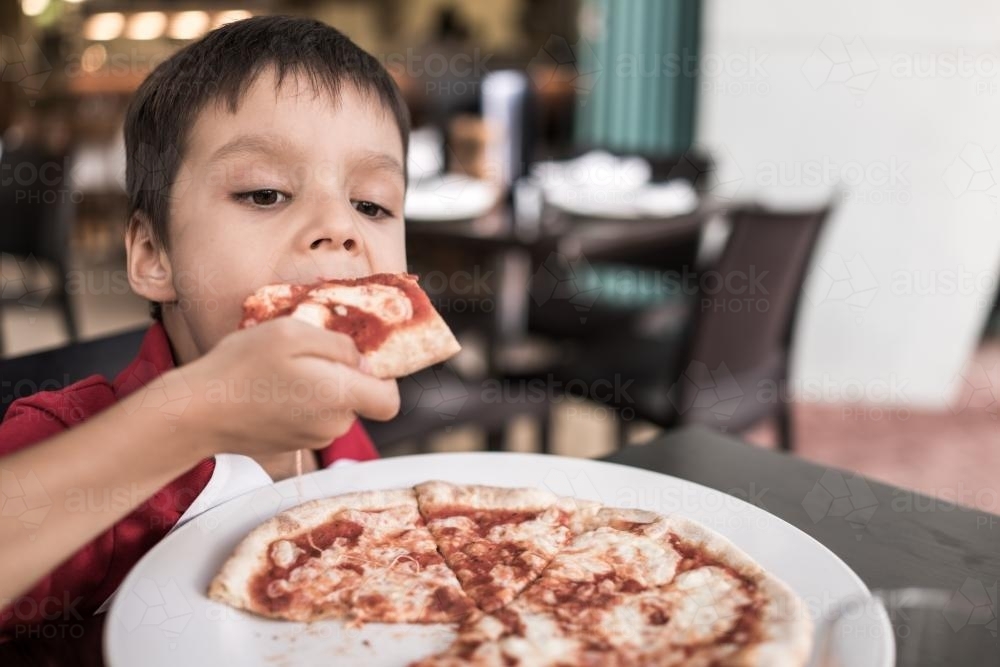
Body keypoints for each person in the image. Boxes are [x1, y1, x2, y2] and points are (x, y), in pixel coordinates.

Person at [0, 16, 408, 634]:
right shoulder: (62, 438)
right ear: (153, 256)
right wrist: (192, 416)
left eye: (372, 204)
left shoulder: (344, 445)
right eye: (265, 193)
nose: (341, 227)